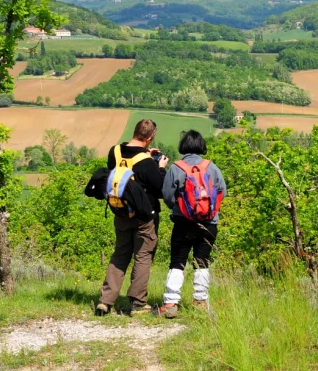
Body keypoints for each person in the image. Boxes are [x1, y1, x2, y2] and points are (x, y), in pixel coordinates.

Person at [96, 119, 169, 316]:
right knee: (143, 256)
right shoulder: (146, 163)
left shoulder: (115, 152)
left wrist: (146, 155)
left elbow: (120, 172)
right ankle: (138, 303)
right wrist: (160, 167)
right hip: (144, 216)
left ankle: (105, 301)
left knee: (120, 254)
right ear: (150, 138)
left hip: (120, 211)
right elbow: (161, 189)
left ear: (135, 132)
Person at [158, 130, 227, 318]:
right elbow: (223, 192)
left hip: (183, 222)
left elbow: (167, 196)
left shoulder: (176, 168)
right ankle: (200, 302)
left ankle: (171, 303)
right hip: (209, 223)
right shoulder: (212, 167)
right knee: (202, 262)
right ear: (201, 145)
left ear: (184, 146)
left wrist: (178, 207)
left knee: (177, 262)